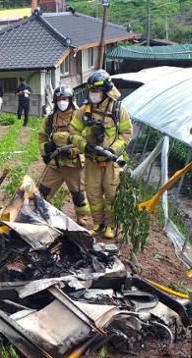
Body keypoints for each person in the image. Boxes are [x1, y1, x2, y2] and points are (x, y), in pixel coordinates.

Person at [70, 69, 132, 239]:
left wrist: (112, 150)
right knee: (93, 192)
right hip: (92, 160)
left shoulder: (119, 109)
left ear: (105, 91)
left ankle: (110, 225)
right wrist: (84, 146)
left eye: (96, 91)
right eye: (91, 91)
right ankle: (98, 224)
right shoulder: (85, 109)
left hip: (112, 162)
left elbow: (126, 134)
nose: (93, 94)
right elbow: (72, 131)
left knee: (111, 194)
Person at [37, 84, 90, 225]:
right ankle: (38, 214)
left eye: (65, 98)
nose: (62, 101)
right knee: (42, 192)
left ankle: (82, 217)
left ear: (71, 99)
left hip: (74, 165)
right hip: (56, 164)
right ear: (55, 101)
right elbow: (42, 136)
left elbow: (87, 140)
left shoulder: (80, 117)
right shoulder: (50, 119)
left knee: (78, 195)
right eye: (60, 99)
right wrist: (46, 150)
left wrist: (72, 150)